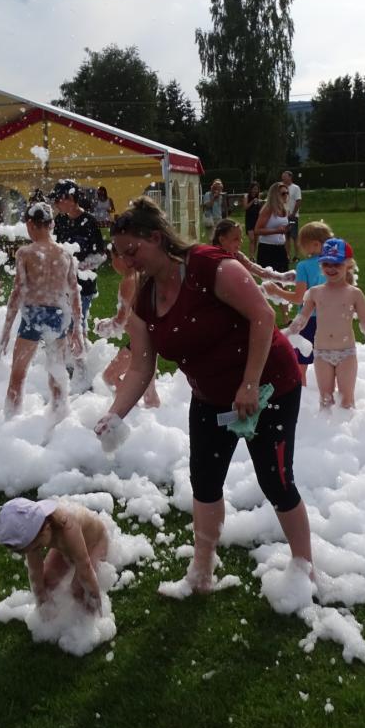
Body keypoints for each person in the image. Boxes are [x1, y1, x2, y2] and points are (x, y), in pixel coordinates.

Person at [96, 197, 315, 596]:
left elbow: (263, 316)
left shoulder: (210, 266)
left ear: (156, 238)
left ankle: (304, 568)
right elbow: (141, 366)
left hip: (269, 385)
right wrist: (114, 415)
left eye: (132, 251)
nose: (127, 263)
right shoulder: (144, 300)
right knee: (204, 480)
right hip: (211, 395)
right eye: (120, 255)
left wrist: (249, 384)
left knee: (276, 480)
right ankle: (201, 570)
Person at [284, 238, 365, 410]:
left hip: (346, 353)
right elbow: (300, 321)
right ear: (321, 265)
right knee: (325, 400)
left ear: (348, 264)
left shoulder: (354, 294)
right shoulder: (315, 293)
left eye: (337, 264)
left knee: (347, 401)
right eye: (326, 264)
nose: (331, 269)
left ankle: (347, 425)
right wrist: (285, 335)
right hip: (321, 353)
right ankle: (325, 427)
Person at [1, 202, 84, 417]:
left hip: (33, 315)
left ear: (30, 224)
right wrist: (77, 330)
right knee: (57, 375)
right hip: (58, 316)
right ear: (51, 224)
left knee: (18, 375)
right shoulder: (65, 255)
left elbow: (17, 292)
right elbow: (74, 294)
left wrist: (5, 332)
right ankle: (59, 419)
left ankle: (10, 421)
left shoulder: (26, 253)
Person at [0, 497, 108, 614]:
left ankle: (90, 617)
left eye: (37, 547)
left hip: (95, 543)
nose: (34, 551)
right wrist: (41, 600)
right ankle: (60, 616)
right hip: (67, 549)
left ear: (46, 529)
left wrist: (94, 600)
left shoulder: (68, 528)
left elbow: (85, 567)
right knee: (48, 584)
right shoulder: (34, 532)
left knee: (78, 589)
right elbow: (35, 571)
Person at [265, 221, 334, 386]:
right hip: (332, 318)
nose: (300, 248)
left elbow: (299, 297)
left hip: (309, 319)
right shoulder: (335, 265)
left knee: (301, 359)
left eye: (303, 244)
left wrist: (276, 291)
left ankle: (302, 390)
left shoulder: (304, 266)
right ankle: (331, 390)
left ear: (315, 244)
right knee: (330, 357)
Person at [96, 242, 160, 409]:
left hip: (141, 342)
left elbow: (121, 321)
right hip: (153, 337)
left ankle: (129, 413)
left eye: (112, 258)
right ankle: (151, 420)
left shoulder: (129, 281)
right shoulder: (144, 276)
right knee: (149, 394)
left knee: (110, 377)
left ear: (122, 258)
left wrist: (104, 327)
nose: (112, 264)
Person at [51, 179, 107, 322]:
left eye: (58, 199)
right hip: (63, 287)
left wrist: (78, 268)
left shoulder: (89, 222)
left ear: (71, 198)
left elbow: (100, 254)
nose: (55, 204)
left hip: (84, 287)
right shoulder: (60, 220)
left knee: (77, 325)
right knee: (62, 326)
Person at [213, 219, 295, 283]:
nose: (241, 242)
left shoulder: (237, 256)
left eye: (241, 238)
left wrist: (282, 277)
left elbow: (260, 271)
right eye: (236, 239)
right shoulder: (213, 259)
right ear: (222, 240)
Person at [252, 182, 290, 273]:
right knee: (270, 280)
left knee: (284, 278)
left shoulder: (284, 209)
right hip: (268, 249)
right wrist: (276, 230)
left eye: (287, 193)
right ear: (275, 195)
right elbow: (257, 230)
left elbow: (282, 231)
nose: (286, 195)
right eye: (283, 193)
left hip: (280, 248)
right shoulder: (268, 209)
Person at [282, 170, 302, 262]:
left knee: (294, 236)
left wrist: (293, 213)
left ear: (290, 177)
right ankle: (287, 256)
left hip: (293, 216)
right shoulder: (281, 188)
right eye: (282, 176)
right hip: (283, 216)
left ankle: (296, 256)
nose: (283, 178)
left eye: (285, 176)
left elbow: (298, 201)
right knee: (286, 236)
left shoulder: (295, 188)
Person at [242, 181, 262, 258]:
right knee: (252, 239)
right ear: (250, 189)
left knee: (256, 240)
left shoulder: (258, 197)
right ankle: (251, 256)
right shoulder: (246, 196)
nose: (255, 191)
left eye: (256, 189)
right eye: (253, 189)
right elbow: (245, 207)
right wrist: (252, 201)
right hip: (249, 220)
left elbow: (260, 209)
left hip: (257, 220)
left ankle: (253, 257)